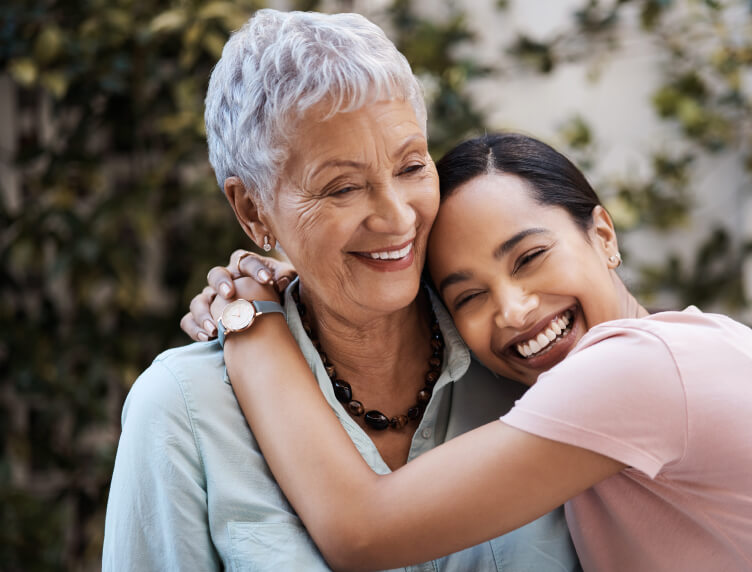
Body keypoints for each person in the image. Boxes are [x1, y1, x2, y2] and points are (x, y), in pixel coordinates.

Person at [193, 134, 752, 571]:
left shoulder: (635, 371)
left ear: (604, 235)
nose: (514, 311)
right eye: (468, 297)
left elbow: (361, 531)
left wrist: (251, 317)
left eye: (528, 257)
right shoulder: (678, 351)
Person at [102, 11, 579, 570]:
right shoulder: (181, 412)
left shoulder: (524, 356)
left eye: (411, 166)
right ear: (253, 210)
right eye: (343, 187)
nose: (397, 217)